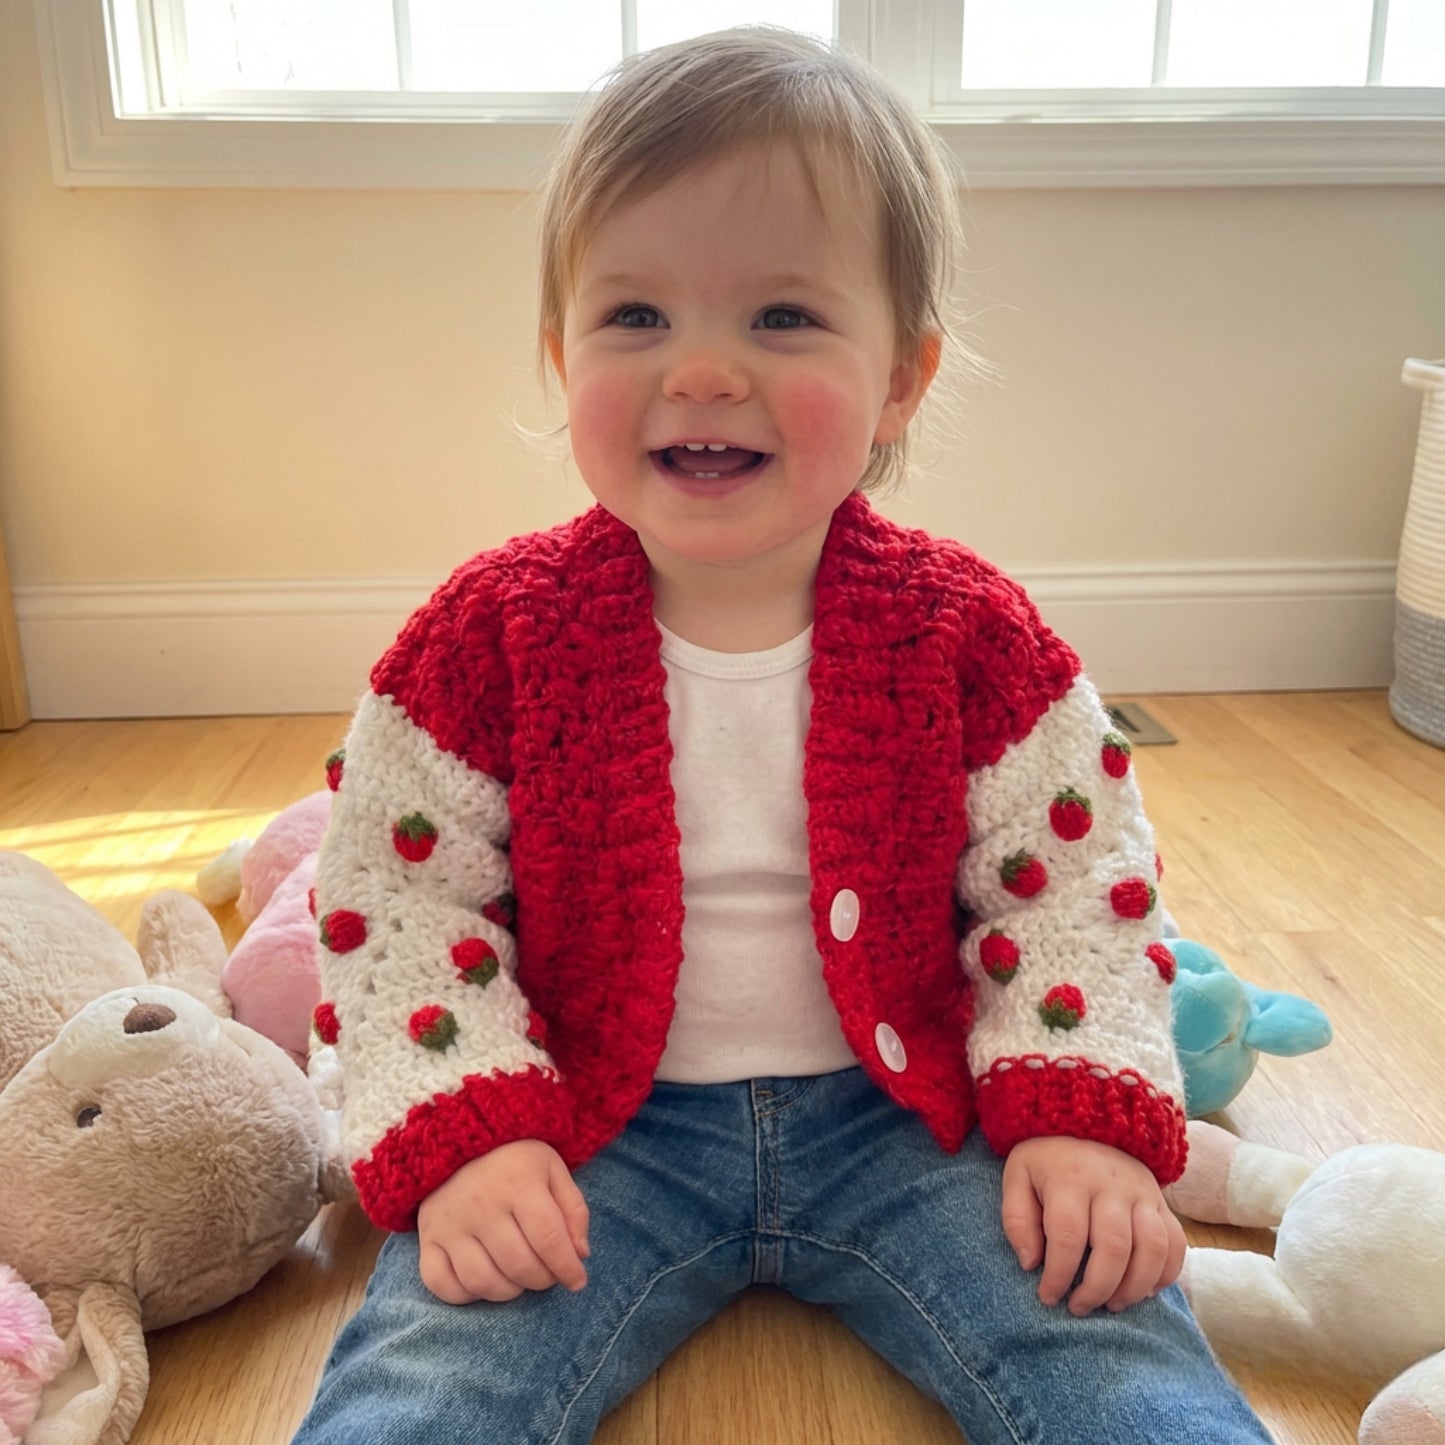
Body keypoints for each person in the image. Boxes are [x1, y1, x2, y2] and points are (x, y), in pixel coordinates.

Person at [293, 26, 1272, 1445]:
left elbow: (1073, 883)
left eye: (781, 319)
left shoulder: (971, 637)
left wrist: (1073, 1110)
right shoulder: (486, 637)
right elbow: (391, 891)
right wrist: (470, 1128)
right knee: (424, 1393)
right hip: (583, 1132)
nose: (699, 371)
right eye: (634, 318)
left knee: (1114, 1362)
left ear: (900, 380)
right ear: (561, 355)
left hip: (914, 1124)